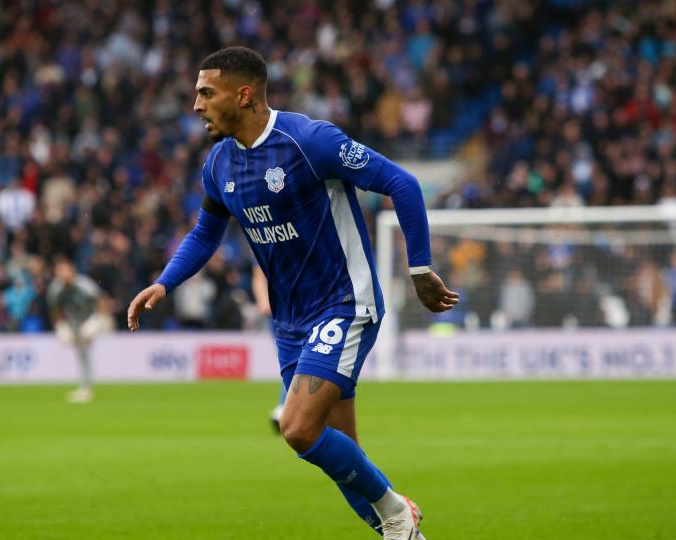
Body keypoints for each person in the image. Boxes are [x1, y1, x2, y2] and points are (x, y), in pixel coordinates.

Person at [128, 46, 458, 539]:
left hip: (346, 303)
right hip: (289, 321)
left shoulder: (308, 140)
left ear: (244, 94)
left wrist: (420, 268)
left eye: (205, 92)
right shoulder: (219, 164)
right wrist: (164, 281)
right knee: (340, 450)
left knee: (298, 429)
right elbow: (205, 233)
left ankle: (398, 513)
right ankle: (399, 526)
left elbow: (401, 183)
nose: (195, 104)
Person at [47, 258, 114, 403]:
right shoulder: (55, 289)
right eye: (60, 272)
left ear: (73, 272)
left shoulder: (85, 285)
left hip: (93, 318)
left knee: (85, 345)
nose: (64, 276)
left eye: (66, 272)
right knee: (81, 352)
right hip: (74, 322)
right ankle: (85, 388)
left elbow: (103, 303)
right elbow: (56, 309)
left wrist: (96, 323)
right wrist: (61, 326)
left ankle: (85, 388)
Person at [253, 265, 287, 434]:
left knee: (300, 358)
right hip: (280, 310)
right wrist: (263, 301)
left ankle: (284, 407)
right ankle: (284, 407)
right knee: (292, 359)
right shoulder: (266, 241)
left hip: (305, 306)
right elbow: (259, 274)